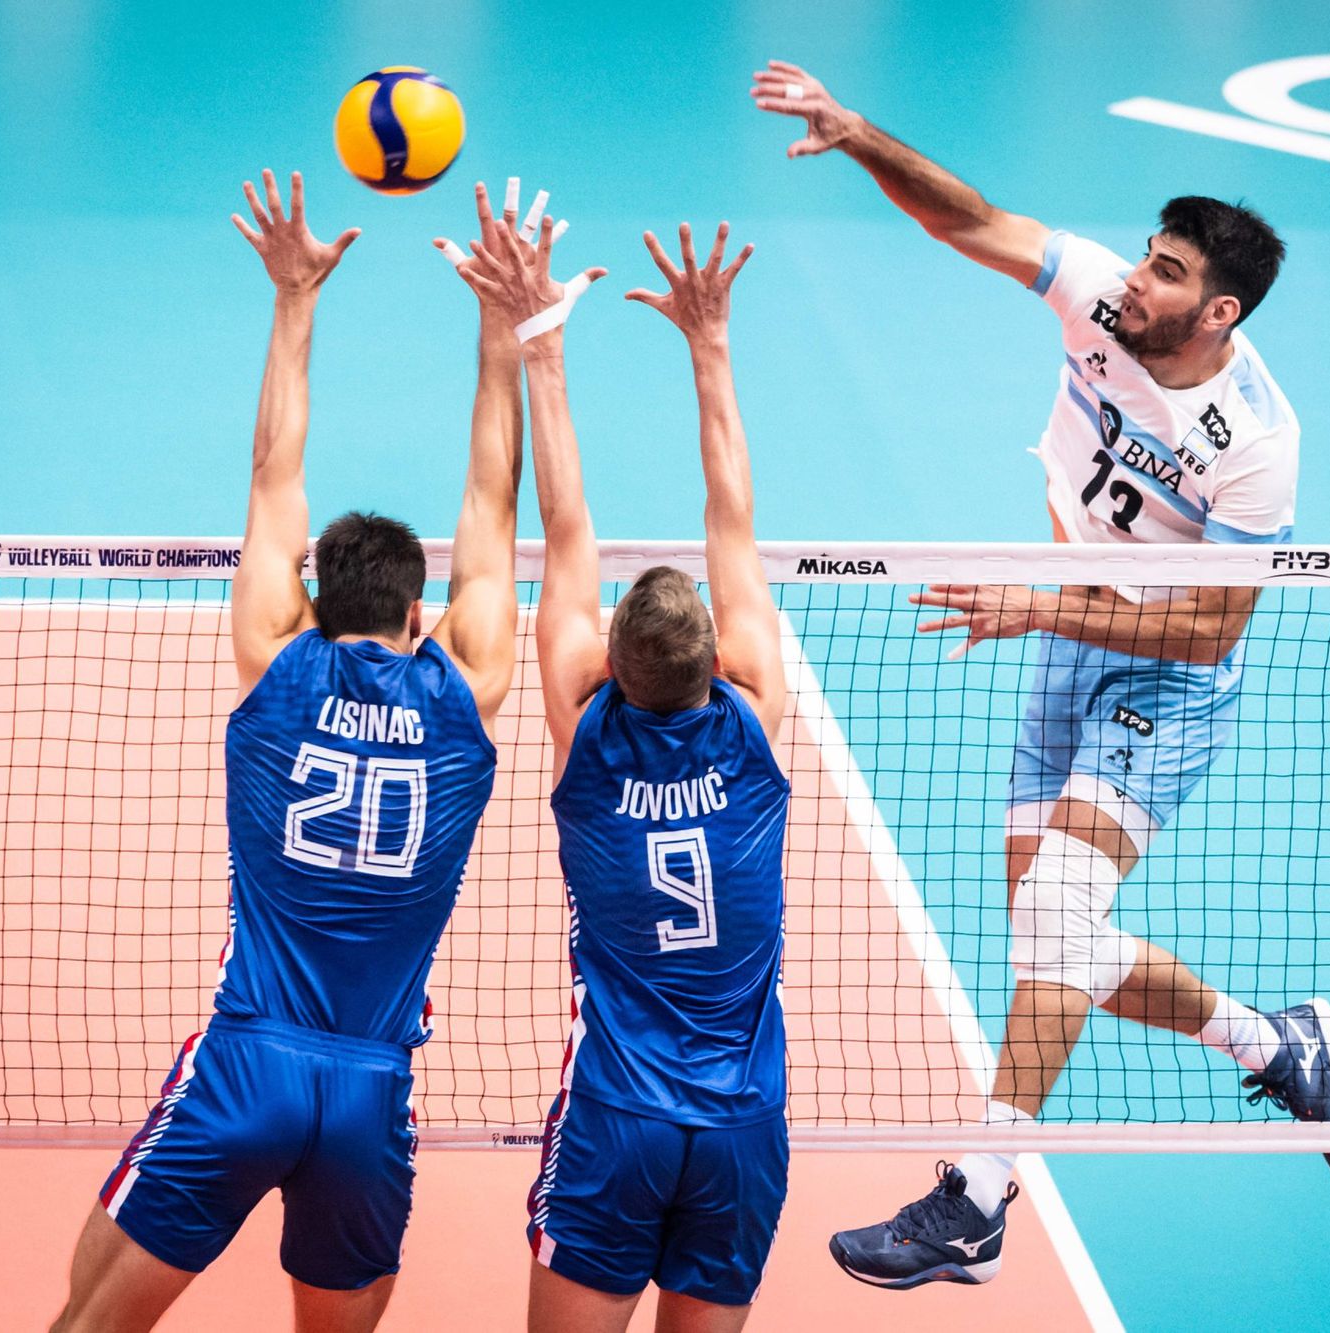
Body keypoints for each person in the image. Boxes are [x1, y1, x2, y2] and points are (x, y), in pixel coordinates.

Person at [752, 61, 1330, 1290]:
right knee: (1057, 936)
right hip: (1062, 644)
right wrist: (857, 128)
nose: (1136, 280)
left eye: (1170, 274)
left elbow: (1207, 633)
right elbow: (965, 218)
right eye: (1145, 256)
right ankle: (1270, 1037)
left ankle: (975, 1197)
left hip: (1165, 681)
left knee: (1052, 923)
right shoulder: (1098, 302)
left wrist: (1038, 601)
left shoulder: (1253, 448)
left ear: (1220, 315)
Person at [49, 171, 528, 1332]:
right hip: (371, 1088)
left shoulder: (275, 663)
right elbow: (492, 496)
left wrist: (295, 299)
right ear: (425, 616)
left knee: (88, 1317)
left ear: (313, 602)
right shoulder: (468, 692)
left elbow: (271, 475)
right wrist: (501, 324)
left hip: (245, 1068)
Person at [457, 205, 788, 1333]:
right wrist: (710, 342)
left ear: (607, 662)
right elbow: (732, 509)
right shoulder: (754, 727)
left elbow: (565, 526)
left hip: (616, 1118)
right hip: (742, 1128)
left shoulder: (584, 738)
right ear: (719, 658)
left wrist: (538, 345)